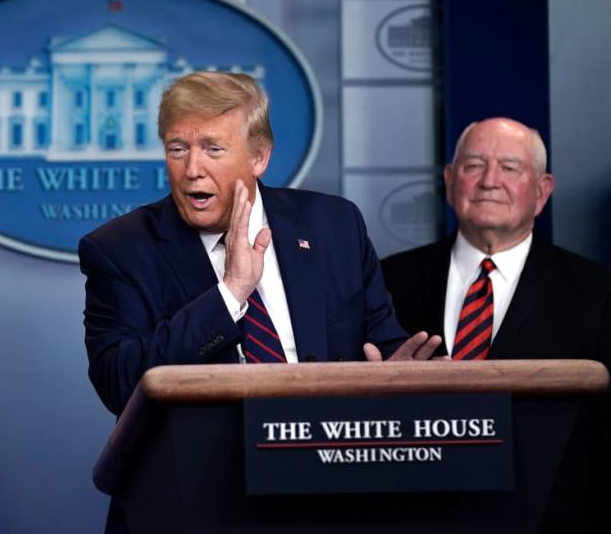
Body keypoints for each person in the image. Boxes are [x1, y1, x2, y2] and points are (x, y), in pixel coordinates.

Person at [80, 71, 441, 419]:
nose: (192, 169)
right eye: (178, 149)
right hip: (204, 472)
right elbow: (119, 383)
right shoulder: (121, 250)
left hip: (331, 460)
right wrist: (231, 293)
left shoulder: (334, 226)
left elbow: (382, 345)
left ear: (259, 157)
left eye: (213, 149)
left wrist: (397, 379)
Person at [381, 117, 611, 531]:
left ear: (541, 192)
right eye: (473, 166)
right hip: (414, 514)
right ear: (450, 182)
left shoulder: (599, 292)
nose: (490, 181)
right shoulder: (387, 281)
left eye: (509, 168)